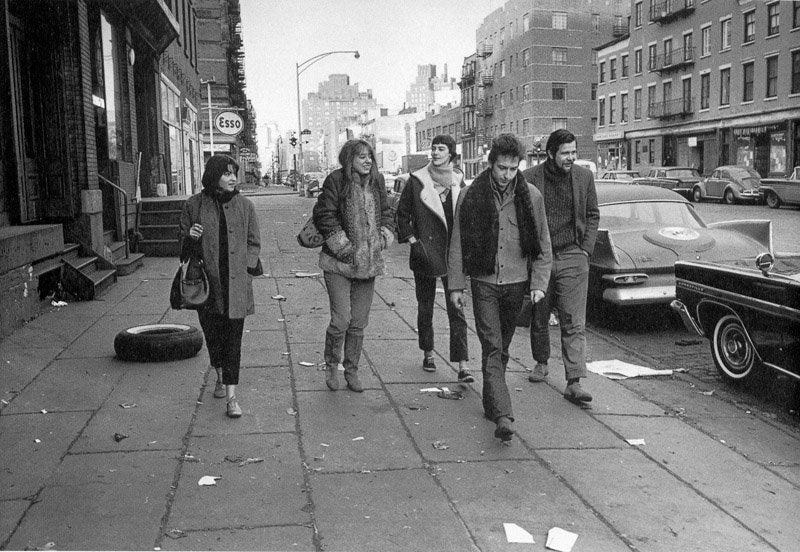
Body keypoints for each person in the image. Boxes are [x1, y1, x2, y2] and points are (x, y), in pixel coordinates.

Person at [448, 134, 552, 442]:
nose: (506, 175)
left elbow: (543, 246)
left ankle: (491, 400)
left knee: (502, 347)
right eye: (501, 168)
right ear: (491, 164)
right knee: (492, 346)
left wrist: (538, 284)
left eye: (512, 168)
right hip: (484, 283)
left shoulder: (531, 195)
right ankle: (504, 415)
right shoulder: (471, 194)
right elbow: (457, 243)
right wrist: (456, 286)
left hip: (517, 284)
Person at [179, 154, 262, 418]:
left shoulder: (246, 206)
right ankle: (218, 372)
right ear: (214, 176)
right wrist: (190, 238)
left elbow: (254, 242)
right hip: (208, 284)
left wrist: (248, 269)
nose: (233, 178)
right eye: (227, 173)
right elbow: (181, 249)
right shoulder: (193, 205)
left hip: (236, 285)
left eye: (234, 173)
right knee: (214, 337)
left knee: (233, 341)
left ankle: (231, 398)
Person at [522, 129, 599, 404]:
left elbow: (592, 215)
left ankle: (574, 381)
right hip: (541, 257)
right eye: (565, 153)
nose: (571, 158)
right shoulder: (529, 179)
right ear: (550, 154)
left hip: (572, 256)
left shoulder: (584, 177)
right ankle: (541, 362)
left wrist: (585, 251)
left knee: (573, 320)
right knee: (539, 315)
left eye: (573, 152)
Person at [313, 139, 395, 392]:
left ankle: (351, 370)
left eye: (369, 156)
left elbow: (387, 211)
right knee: (341, 320)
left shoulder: (377, 181)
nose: (367, 160)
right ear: (349, 159)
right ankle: (331, 365)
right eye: (361, 156)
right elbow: (324, 215)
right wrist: (344, 248)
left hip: (367, 264)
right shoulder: (336, 180)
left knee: (358, 322)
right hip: (339, 263)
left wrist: (384, 237)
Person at [396, 135, 472, 382]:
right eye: (434, 148)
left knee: (456, 309)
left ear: (451, 153)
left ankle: (462, 364)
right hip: (426, 254)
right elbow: (402, 215)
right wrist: (413, 242)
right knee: (425, 307)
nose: (436, 153)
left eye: (441, 149)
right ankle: (428, 352)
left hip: (452, 253)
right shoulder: (417, 180)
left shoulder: (459, 180)